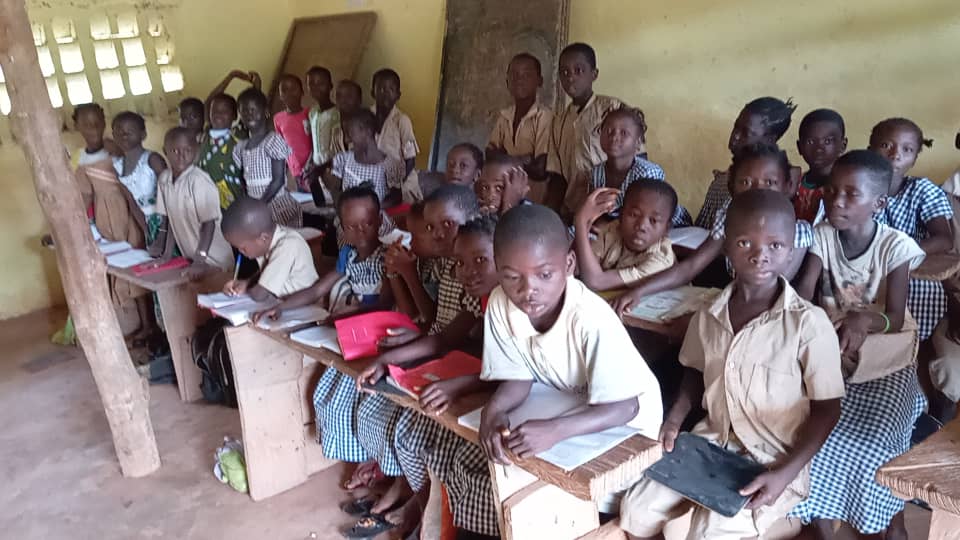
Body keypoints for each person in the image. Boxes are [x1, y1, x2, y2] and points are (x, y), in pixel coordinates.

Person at [619, 190, 844, 540]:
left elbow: (827, 410)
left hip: (773, 458)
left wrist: (784, 474)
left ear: (790, 249)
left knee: (706, 533)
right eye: (744, 243)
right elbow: (695, 370)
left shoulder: (808, 324)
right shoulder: (708, 314)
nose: (760, 256)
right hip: (710, 445)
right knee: (635, 511)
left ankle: (781, 518)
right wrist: (675, 420)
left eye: (775, 245)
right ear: (725, 248)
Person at [479, 204, 663, 514]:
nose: (528, 291)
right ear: (498, 269)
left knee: (560, 499)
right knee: (517, 475)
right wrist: (493, 410)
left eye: (545, 274)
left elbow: (626, 406)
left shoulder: (589, 318)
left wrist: (556, 430)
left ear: (569, 264)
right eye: (512, 277)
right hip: (569, 403)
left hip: (627, 424)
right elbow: (518, 377)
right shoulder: (500, 303)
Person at [790, 150, 926, 539]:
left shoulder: (894, 246)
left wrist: (862, 319)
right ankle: (818, 522)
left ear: (878, 203)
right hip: (831, 349)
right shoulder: (821, 235)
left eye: (851, 194)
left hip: (886, 353)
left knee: (876, 442)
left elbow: (895, 317)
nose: (836, 200)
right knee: (804, 429)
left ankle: (882, 520)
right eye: (832, 190)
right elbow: (803, 293)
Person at [612, 143, 813, 315]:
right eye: (745, 182)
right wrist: (639, 291)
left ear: (788, 186)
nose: (757, 190)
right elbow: (691, 267)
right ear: (731, 186)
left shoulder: (797, 232)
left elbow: (771, 291)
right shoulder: (729, 217)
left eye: (769, 182)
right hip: (734, 303)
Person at [868, 117, 954, 343]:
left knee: (908, 335)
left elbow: (944, 240)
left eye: (907, 149)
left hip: (914, 275)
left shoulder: (922, 190)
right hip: (868, 274)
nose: (896, 155)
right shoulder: (859, 189)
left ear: (915, 158)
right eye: (886, 145)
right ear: (870, 149)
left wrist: (897, 252)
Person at [571, 106, 691, 227]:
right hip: (621, 226)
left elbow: (647, 218)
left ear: (638, 143)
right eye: (608, 131)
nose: (614, 137)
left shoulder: (647, 173)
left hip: (666, 227)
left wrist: (604, 225)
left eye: (624, 133)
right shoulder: (596, 173)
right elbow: (593, 211)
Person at [694, 97, 797, 229]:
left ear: (770, 140)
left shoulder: (776, 187)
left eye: (746, 133)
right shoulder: (722, 181)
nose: (735, 137)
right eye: (735, 128)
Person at [547, 43, 625, 215]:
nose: (571, 77)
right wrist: (549, 215)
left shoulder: (612, 109)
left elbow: (638, 158)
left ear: (594, 74)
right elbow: (558, 177)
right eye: (564, 72)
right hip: (574, 211)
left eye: (579, 70)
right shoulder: (558, 122)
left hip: (612, 211)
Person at [151, 127, 235, 277]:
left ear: (196, 151)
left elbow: (209, 224)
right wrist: (166, 255)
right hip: (192, 258)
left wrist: (200, 259)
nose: (181, 156)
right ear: (165, 151)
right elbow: (171, 219)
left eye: (187, 150)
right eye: (175, 151)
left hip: (215, 259)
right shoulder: (164, 179)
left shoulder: (198, 180)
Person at [112, 110, 167, 342]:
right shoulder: (117, 166)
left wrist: (161, 232)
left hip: (165, 220)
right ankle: (161, 331)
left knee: (168, 279)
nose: (125, 135)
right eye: (119, 132)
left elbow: (168, 192)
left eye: (130, 131)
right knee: (152, 280)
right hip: (144, 225)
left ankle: (174, 328)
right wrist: (146, 231)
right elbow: (132, 202)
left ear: (143, 134)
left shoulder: (152, 159)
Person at [575, 180, 677, 292]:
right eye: (634, 215)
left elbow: (595, 282)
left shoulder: (660, 258)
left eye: (653, 220)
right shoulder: (613, 230)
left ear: (666, 229)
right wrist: (586, 224)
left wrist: (581, 223)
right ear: (621, 214)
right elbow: (578, 269)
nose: (641, 226)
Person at [220, 197, 318, 302]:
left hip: (305, 309)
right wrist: (246, 283)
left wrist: (247, 289)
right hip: (281, 304)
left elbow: (259, 295)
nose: (240, 251)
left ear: (263, 238)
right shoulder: (269, 240)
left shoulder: (288, 245)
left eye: (243, 248)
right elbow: (267, 272)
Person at [487, 53, 552, 203]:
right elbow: (489, 156)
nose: (519, 79)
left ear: (539, 81)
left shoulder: (544, 117)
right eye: (514, 74)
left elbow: (540, 169)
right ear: (507, 81)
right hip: (503, 198)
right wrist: (524, 159)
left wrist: (503, 159)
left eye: (527, 75)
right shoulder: (504, 116)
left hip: (533, 198)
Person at [233, 87, 303, 228]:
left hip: (276, 204)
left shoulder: (272, 141)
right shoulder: (241, 147)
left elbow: (278, 180)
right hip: (257, 205)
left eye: (253, 110)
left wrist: (260, 205)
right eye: (244, 111)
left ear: (265, 112)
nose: (249, 114)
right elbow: (243, 181)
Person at [324, 109, 405, 206]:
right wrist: (327, 178)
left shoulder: (390, 164)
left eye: (350, 133)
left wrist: (375, 209)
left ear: (368, 132)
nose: (346, 140)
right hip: (349, 217)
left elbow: (396, 197)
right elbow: (335, 188)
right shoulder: (343, 159)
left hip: (375, 218)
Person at [794, 108, 847, 222]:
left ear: (843, 146)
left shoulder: (847, 188)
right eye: (810, 142)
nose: (818, 149)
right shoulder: (793, 184)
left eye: (827, 141)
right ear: (799, 147)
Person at [198, 92, 243, 210]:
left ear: (234, 116)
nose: (218, 114)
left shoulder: (239, 142)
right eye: (215, 110)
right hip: (206, 204)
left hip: (233, 204)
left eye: (225, 111)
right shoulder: (202, 139)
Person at [371, 68, 419, 178]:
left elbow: (410, 159)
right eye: (381, 89)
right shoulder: (365, 118)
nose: (386, 94)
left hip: (396, 180)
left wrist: (398, 184)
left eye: (391, 89)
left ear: (398, 95)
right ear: (372, 93)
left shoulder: (402, 121)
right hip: (369, 177)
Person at [273, 74, 313, 192]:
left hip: (312, 169)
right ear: (280, 95)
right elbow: (282, 145)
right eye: (284, 90)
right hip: (295, 171)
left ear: (302, 92)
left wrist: (310, 166)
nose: (289, 93)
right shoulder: (278, 118)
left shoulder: (311, 113)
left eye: (293, 89)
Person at [417, 143, 484, 199]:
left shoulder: (480, 203)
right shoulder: (428, 183)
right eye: (450, 164)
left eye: (463, 165)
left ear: (477, 175)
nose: (454, 170)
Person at [305, 66, 338, 172]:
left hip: (333, 168)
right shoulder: (312, 112)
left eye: (321, 83)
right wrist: (310, 163)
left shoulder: (337, 113)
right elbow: (314, 143)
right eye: (311, 84)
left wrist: (323, 168)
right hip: (316, 166)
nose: (316, 87)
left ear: (330, 86)